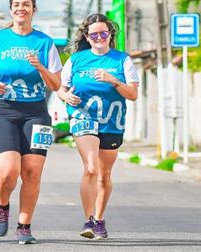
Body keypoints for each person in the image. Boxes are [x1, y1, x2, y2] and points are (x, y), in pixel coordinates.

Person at [0, 0, 62, 244]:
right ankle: (2, 206)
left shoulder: (45, 42)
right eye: (16, 4)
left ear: (34, 10)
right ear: (11, 9)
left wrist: (40, 67)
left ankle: (24, 225)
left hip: (36, 112)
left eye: (26, 4)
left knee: (33, 172)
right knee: (8, 171)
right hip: (3, 110)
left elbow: (56, 84)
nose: (21, 8)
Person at [57, 13, 139, 240]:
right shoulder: (76, 60)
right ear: (87, 36)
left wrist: (113, 80)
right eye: (94, 34)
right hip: (83, 117)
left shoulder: (122, 60)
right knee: (91, 168)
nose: (99, 38)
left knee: (104, 174)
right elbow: (61, 89)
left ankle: (100, 218)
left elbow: (132, 94)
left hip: (112, 121)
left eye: (104, 33)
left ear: (110, 34)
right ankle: (88, 220)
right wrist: (66, 98)